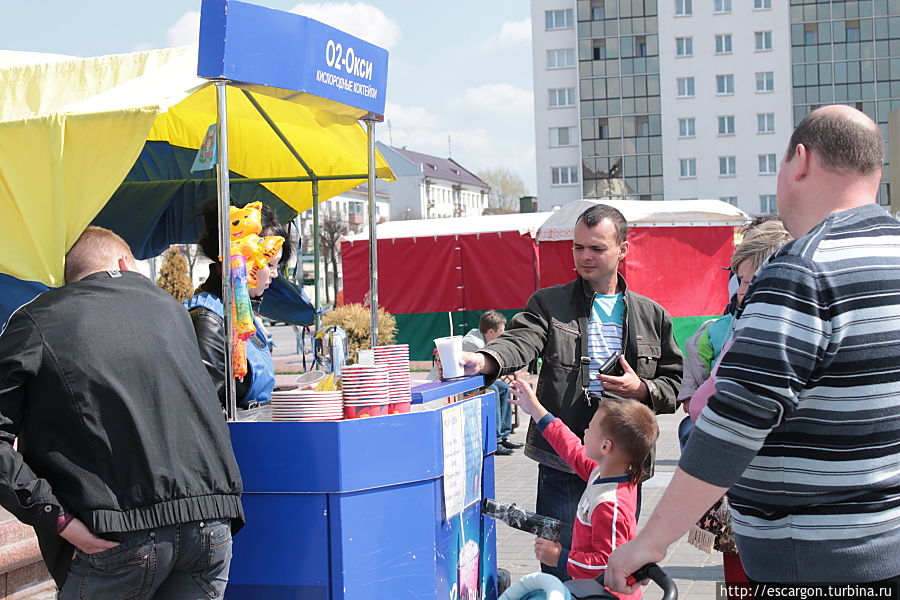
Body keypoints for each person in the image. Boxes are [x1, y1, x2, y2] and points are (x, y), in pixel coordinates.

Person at [607, 105, 900, 591]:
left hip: (811, 563)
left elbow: (736, 424)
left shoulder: (801, 271)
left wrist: (650, 542)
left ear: (800, 161)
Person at [0, 226, 244, 599]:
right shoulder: (173, 311)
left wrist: (57, 520)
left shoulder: (38, 320)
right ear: (122, 263)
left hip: (117, 532)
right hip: (209, 523)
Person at [461, 203, 683, 580]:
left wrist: (641, 388)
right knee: (559, 567)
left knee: (613, 565)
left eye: (596, 248)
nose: (585, 257)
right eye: (578, 247)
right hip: (562, 458)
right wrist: (487, 359)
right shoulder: (548, 303)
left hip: (623, 465)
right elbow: (521, 340)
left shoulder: (653, 314)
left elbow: (674, 385)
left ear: (622, 250)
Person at [677, 220, 791, 597]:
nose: (739, 292)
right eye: (737, 281)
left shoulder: (764, 336)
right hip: (751, 500)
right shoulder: (728, 330)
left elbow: (707, 403)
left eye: (747, 281)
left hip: (772, 506)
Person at [508, 378, 657, 598]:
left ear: (606, 446)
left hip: (607, 595)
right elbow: (569, 447)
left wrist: (559, 557)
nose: (585, 431)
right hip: (592, 589)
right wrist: (536, 410)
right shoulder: (603, 472)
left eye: (591, 427)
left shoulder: (610, 505)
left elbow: (609, 565)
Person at [186, 202, 292, 408]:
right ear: (241, 260)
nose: (275, 274)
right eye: (269, 264)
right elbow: (209, 408)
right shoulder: (208, 321)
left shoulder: (239, 314)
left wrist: (288, 398)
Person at [462, 310, 521, 456]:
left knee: (504, 387)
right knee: (493, 390)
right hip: (460, 384)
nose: (504, 333)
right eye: (501, 330)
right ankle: (495, 440)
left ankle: (504, 434)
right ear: (490, 331)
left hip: (474, 380)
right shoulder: (473, 343)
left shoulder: (484, 338)